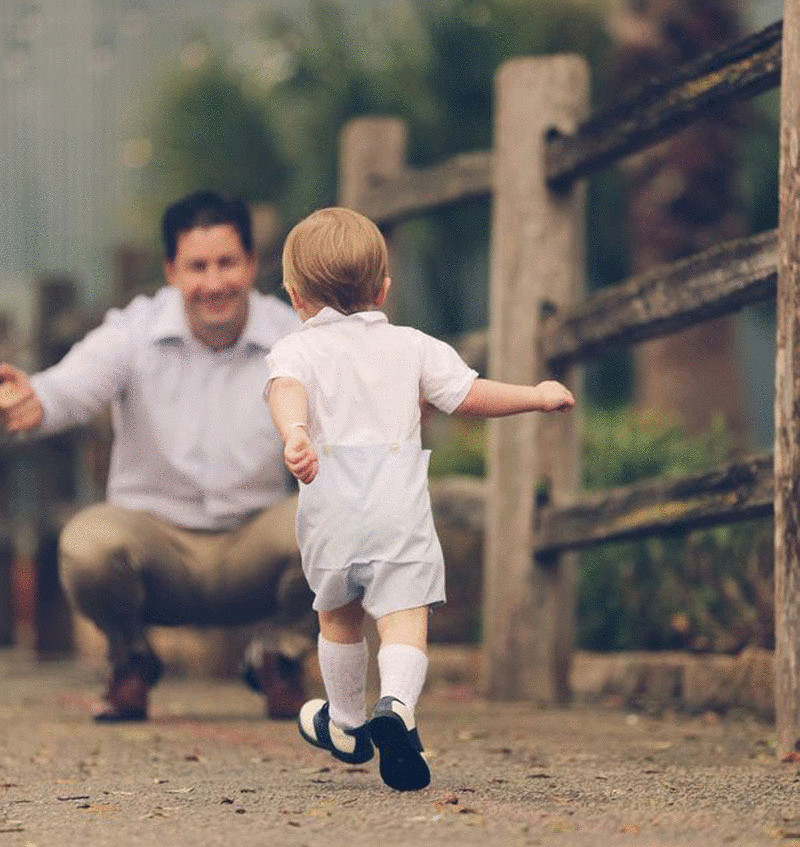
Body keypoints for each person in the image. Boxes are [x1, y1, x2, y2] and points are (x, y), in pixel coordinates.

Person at [265, 207, 575, 791]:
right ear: (384, 288)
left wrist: (296, 433)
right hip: (396, 508)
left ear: (294, 296)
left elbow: (286, 391)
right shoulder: (412, 346)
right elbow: (468, 396)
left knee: (338, 618)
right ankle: (398, 708)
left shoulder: (295, 351)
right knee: (404, 620)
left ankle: (349, 723)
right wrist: (534, 395)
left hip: (330, 508)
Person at [0, 190, 314, 722]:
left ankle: (281, 657)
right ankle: (131, 661)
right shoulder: (132, 331)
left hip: (254, 546)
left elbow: (347, 415)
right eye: (197, 266)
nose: (213, 284)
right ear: (171, 270)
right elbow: (72, 386)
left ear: (252, 265)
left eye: (226, 263)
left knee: (344, 516)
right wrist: (36, 399)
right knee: (88, 544)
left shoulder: (293, 336)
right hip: (156, 552)